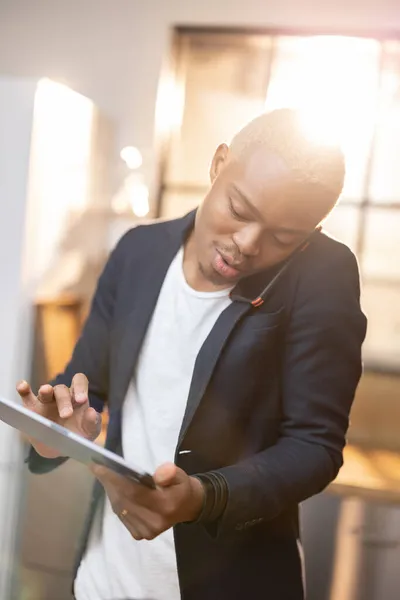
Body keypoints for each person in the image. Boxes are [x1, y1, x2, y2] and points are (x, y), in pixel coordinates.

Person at [17, 108, 367, 600]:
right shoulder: (138, 251)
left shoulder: (322, 275)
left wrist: (203, 498)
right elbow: (86, 385)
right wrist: (55, 433)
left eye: (284, 238)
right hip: (104, 580)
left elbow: (315, 446)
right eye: (240, 210)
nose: (247, 244)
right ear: (219, 163)